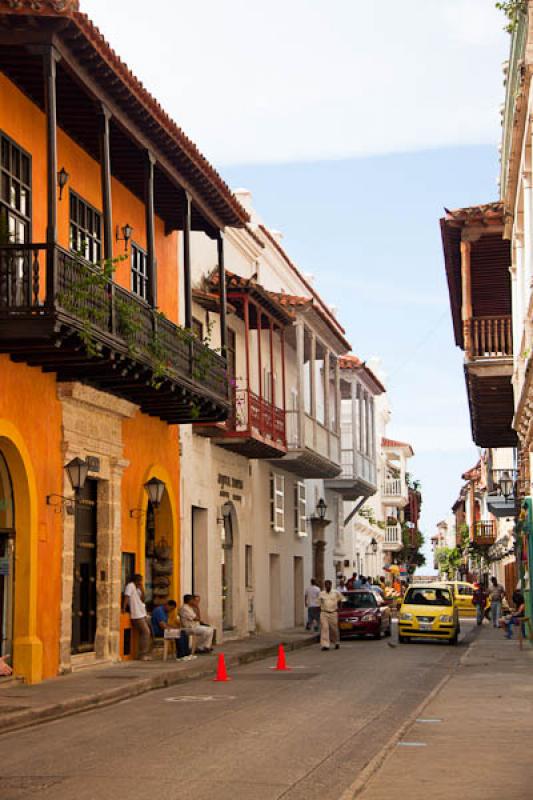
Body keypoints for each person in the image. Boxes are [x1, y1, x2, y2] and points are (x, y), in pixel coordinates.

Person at [123, 574, 152, 660]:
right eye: (140, 580)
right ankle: (142, 654)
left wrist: (142, 589)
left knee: (150, 633)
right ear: (135, 580)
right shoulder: (130, 586)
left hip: (142, 613)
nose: (141, 582)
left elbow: (143, 599)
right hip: (136, 614)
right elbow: (126, 597)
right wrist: (124, 608)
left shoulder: (137, 588)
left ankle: (146, 653)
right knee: (146, 632)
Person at [318, 579, 343, 651]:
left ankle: (336, 642)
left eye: (328, 584)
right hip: (324, 613)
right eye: (326, 585)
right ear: (325, 586)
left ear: (331, 585)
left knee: (334, 629)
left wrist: (339, 609)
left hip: (333, 613)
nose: (327, 586)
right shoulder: (321, 593)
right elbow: (318, 603)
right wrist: (320, 610)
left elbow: (341, 600)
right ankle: (325, 645)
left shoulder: (336, 593)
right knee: (324, 628)